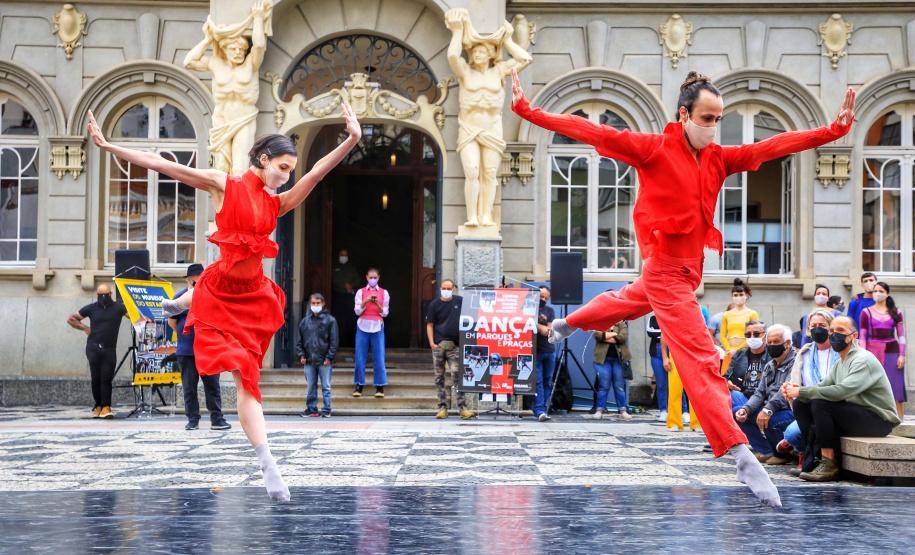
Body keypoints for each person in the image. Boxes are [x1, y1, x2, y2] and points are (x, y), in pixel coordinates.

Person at [512, 65, 855, 506]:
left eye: (719, 120)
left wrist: (831, 131)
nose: (715, 127)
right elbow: (589, 130)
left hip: (687, 271)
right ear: (684, 114)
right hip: (665, 270)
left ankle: (565, 325)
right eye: (707, 118)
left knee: (626, 301)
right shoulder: (653, 148)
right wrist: (527, 110)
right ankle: (739, 453)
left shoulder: (718, 157)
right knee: (699, 358)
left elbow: (772, 147)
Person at [89, 100, 364, 502]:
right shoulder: (225, 184)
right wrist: (111, 147)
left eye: (290, 171)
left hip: (253, 298)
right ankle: (183, 303)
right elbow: (168, 166)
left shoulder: (277, 202)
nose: (287, 178)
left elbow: (318, 173)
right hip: (220, 292)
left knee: (248, 381)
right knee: (230, 354)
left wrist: (352, 139)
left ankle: (267, 462)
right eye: (283, 168)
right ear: (264, 159)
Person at [782, 316, 902, 482]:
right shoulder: (840, 363)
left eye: (840, 331)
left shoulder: (863, 359)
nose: (833, 335)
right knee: (802, 403)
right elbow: (822, 386)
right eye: (831, 331)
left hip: (878, 420)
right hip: (858, 415)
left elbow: (842, 391)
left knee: (820, 402)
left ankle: (829, 464)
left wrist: (801, 391)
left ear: (853, 336)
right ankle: (811, 461)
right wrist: (796, 391)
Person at [167, 263, 230, 431]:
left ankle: (217, 418)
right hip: (187, 351)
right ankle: (192, 419)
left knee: (213, 386)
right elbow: (172, 322)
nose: (201, 282)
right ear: (189, 279)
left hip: (209, 350)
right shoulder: (180, 298)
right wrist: (186, 334)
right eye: (197, 279)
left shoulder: (212, 296)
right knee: (189, 387)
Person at [779, 309, 840, 476]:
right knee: (793, 430)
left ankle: (822, 461)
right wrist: (788, 389)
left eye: (822, 325)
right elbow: (797, 383)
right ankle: (810, 458)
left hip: (832, 404)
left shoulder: (840, 351)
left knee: (799, 428)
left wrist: (802, 391)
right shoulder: (804, 353)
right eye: (813, 326)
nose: (817, 329)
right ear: (807, 329)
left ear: (831, 328)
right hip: (808, 406)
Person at [734, 324, 796, 465]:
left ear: (787, 343)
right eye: (769, 342)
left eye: (776, 342)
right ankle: (766, 449)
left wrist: (768, 409)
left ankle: (781, 454)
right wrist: (746, 409)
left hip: (791, 410)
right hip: (772, 409)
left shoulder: (796, 362)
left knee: (771, 420)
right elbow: (760, 393)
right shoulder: (770, 364)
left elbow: (785, 391)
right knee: (738, 413)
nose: (772, 345)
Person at [67, 283, 129, 419]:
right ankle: (98, 406)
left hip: (109, 348)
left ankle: (106, 406)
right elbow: (71, 319)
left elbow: (132, 315)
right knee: (96, 378)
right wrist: (85, 328)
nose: (103, 298)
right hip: (93, 347)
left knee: (106, 377)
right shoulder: (91, 308)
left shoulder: (118, 308)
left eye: (106, 295)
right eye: (101, 296)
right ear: (97, 295)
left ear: (111, 294)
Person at [426, 279, 475, 419]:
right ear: (440, 288)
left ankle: (462, 407)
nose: (446, 291)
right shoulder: (434, 304)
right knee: (439, 377)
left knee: (457, 375)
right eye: (444, 288)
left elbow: (473, 307)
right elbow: (429, 324)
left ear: (453, 289)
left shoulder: (459, 301)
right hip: (438, 345)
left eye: (449, 288)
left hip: (454, 345)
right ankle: (442, 407)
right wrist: (431, 343)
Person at [859, 282, 907, 417]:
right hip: (872, 351)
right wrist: (862, 354)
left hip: (892, 350)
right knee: (872, 383)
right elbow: (862, 336)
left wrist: (902, 355)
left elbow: (902, 336)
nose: (877, 293)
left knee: (896, 385)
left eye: (880, 291)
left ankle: (900, 417)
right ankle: (873, 416)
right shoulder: (866, 312)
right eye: (875, 291)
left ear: (887, 294)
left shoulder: (896, 312)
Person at [295, 293, 338, 417]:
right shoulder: (305, 321)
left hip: (324, 360)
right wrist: (301, 355)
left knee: (326, 386)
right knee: (311, 387)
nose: (315, 305)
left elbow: (334, 341)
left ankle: (326, 409)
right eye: (313, 303)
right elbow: (300, 340)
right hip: (309, 360)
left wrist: (329, 357)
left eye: (318, 303)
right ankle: (312, 409)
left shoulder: (330, 320)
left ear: (323, 304)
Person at [724, 320, 771, 421]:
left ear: (765, 336)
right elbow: (725, 377)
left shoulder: (773, 355)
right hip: (743, 397)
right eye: (748, 335)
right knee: (728, 395)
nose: (752, 337)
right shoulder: (740, 354)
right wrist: (727, 383)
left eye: (756, 334)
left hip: (765, 400)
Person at [353, 267, 389, 398]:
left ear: (379, 277)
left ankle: (380, 386)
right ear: (366, 277)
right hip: (362, 325)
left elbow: (385, 313)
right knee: (360, 357)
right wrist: (365, 302)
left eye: (375, 277)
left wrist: (378, 305)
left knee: (379, 357)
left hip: (377, 326)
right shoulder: (360, 292)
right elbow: (357, 311)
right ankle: (359, 384)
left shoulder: (384, 293)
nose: (372, 279)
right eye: (370, 277)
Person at [587, 320, 632, 420]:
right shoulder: (599, 322)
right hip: (602, 360)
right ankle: (599, 410)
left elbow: (623, 337)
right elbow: (597, 335)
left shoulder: (621, 324)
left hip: (619, 360)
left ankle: (623, 411)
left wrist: (606, 337)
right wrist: (615, 334)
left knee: (619, 386)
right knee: (604, 385)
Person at [720, 279, 759, 375]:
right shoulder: (726, 314)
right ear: (732, 296)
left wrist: (736, 350)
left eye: (741, 295)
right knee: (725, 381)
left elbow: (754, 335)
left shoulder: (752, 313)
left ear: (746, 295)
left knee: (743, 380)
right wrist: (729, 350)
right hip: (729, 353)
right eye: (735, 295)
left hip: (745, 352)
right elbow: (722, 336)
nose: (738, 297)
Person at [534, 286, 556, 422]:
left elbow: (549, 330)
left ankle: (544, 407)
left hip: (549, 350)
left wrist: (538, 325)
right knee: (538, 382)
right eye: (541, 297)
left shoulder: (550, 310)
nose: (543, 300)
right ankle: (539, 410)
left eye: (546, 298)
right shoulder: (530, 309)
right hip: (535, 350)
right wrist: (540, 326)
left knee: (548, 381)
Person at [331, 248, 360, 347]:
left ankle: (351, 344)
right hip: (338, 296)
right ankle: (337, 343)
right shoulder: (334, 267)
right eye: (342, 255)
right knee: (338, 320)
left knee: (350, 320)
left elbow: (357, 280)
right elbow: (333, 279)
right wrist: (344, 285)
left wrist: (351, 286)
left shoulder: (352, 267)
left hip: (349, 296)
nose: (344, 257)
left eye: (345, 255)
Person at [646, 314, 669, 422]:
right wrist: (666, 332)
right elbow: (650, 332)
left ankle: (683, 410)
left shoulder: (673, 315)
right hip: (657, 350)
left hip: (672, 349)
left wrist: (659, 331)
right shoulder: (653, 318)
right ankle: (663, 410)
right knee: (661, 384)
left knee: (677, 383)